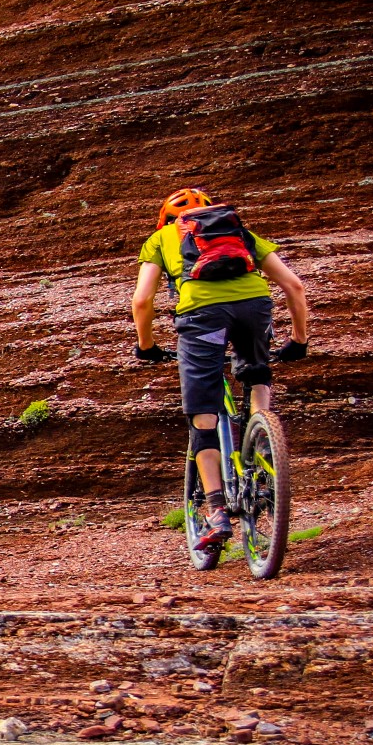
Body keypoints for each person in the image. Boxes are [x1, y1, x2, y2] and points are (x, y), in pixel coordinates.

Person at [132, 188, 310, 552]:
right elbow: (294, 285)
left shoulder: (160, 238)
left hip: (203, 317)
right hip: (254, 308)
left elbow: (142, 300)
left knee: (204, 415)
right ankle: (262, 441)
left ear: (167, 220)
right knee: (256, 375)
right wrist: (299, 340)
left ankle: (215, 510)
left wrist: (147, 346)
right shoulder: (241, 233)